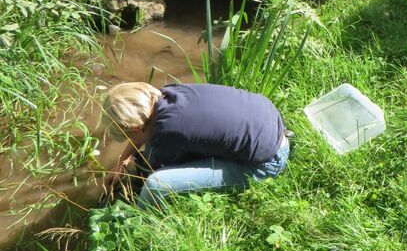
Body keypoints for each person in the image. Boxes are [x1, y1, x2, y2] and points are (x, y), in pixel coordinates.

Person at [102, 82, 290, 208]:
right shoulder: (168, 92)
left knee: (156, 183)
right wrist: (122, 162)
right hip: (270, 120)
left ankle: (136, 222)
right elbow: (145, 132)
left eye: (127, 134)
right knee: (152, 147)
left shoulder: (166, 134)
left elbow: (159, 164)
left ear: (135, 129)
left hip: (267, 162)